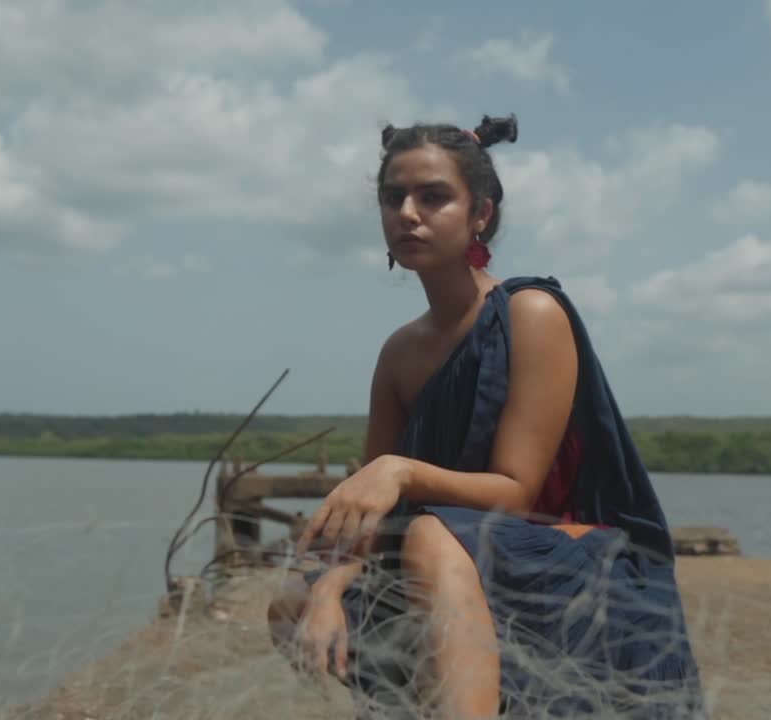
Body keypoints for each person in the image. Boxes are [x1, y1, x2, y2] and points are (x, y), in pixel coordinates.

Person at [267, 114, 705, 719]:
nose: (409, 213)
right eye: (393, 197)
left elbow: (516, 494)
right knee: (293, 599)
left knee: (428, 535)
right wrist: (330, 587)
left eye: (434, 196)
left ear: (482, 214)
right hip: (456, 553)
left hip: (565, 551)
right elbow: (368, 515)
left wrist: (399, 470)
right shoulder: (399, 353)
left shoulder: (531, 312)